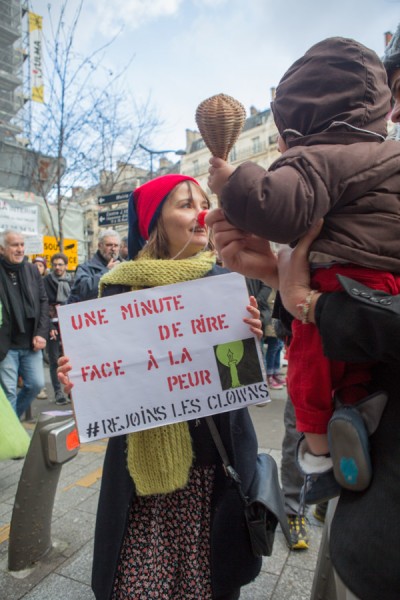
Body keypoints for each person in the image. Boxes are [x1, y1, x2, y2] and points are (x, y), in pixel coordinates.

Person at [207, 36, 400, 497]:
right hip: (375, 280)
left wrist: (233, 180)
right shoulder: (386, 156)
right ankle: (354, 409)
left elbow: (274, 205)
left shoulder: (316, 157)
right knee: (347, 364)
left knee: (309, 365)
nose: (394, 115)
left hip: (342, 281)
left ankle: (317, 444)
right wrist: (282, 274)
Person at [58, 174, 264, 600]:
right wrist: (80, 385)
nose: (201, 212)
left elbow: (235, 386)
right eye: (186, 204)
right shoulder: (116, 287)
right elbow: (104, 407)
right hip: (142, 481)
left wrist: (247, 345)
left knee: (207, 585)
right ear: (156, 221)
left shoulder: (224, 281)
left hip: (212, 469)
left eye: (204, 202)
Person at [0, 230, 48, 418]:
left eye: (22, 244)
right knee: (9, 392)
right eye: (15, 245)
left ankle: (10, 425)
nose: (20, 249)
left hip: (31, 343)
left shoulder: (31, 270)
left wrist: (41, 333)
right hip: (6, 345)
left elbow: (43, 301)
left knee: (36, 385)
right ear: (2, 248)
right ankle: (11, 440)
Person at [43, 252, 73, 405]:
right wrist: (49, 325)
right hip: (53, 325)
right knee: (54, 360)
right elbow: (43, 304)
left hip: (68, 324)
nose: (58, 267)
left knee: (70, 359)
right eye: (55, 265)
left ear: (66, 266)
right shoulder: (46, 281)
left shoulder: (71, 280)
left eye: (60, 264)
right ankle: (58, 392)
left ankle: (71, 391)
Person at [67, 228, 120, 303]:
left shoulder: (124, 266)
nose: (113, 249)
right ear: (99, 246)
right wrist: (106, 272)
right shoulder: (85, 268)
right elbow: (83, 291)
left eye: (116, 245)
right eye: (109, 245)